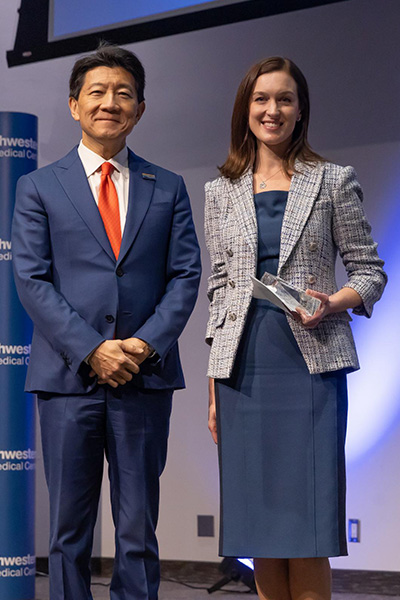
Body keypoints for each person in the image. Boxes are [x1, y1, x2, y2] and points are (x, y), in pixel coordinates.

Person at [12, 44, 201, 600]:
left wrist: (141, 346)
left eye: (124, 93)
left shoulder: (167, 186)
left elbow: (185, 276)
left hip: (144, 378)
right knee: (68, 532)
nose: (109, 103)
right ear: (74, 105)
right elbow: (32, 280)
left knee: (139, 527)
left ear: (140, 109)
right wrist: (93, 349)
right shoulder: (39, 187)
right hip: (68, 380)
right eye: (97, 92)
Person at [205, 57, 386, 600]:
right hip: (244, 369)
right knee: (261, 526)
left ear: (301, 109)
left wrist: (332, 302)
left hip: (310, 369)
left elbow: (370, 272)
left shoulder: (332, 180)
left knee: (306, 529)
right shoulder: (221, 190)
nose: (272, 109)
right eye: (261, 99)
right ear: (246, 108)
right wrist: (214, 386)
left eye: (284, 99)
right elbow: (220, 292)